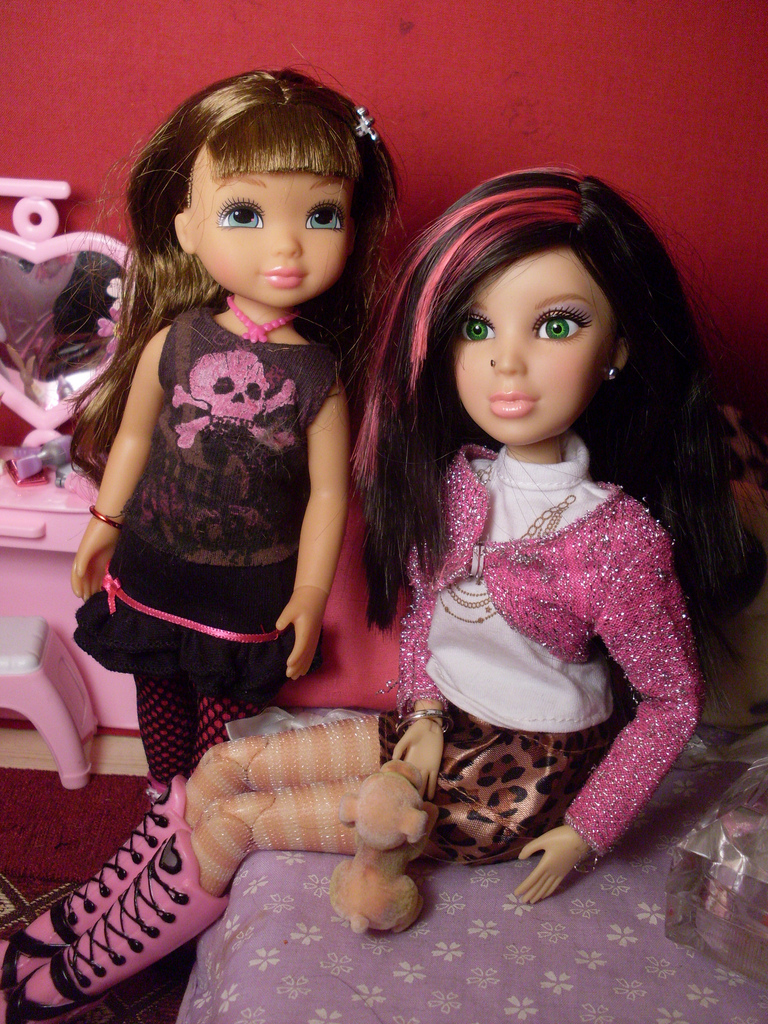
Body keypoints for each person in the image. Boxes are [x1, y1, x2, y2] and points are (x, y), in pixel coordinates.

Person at [1, 170, 761, 1022]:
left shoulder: (615, 538)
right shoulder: (466, 479)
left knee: (235, 825)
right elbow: (430, 611)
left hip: (517, 783)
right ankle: (74, 923)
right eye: (476, 327)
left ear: (618, 345)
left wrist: (587, 828)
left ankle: (68, 981)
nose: (506, 362)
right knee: (222, 767)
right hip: (436, 734)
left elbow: (671, 700)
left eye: (557, 324)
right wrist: (427, 712)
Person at [67, 69, 397, 788]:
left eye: (321, 216)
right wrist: (103, 521)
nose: (287, 247)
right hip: (154, 563)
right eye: (245, 213)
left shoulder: (317, 375)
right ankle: (165, 800)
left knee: (226, 720)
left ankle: (205, 811)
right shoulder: (177, 341)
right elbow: (134, 438)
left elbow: (328, 495)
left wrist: (311, 592)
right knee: (157, 692)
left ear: (352, 228)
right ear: (187, 227)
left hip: (249, 588)